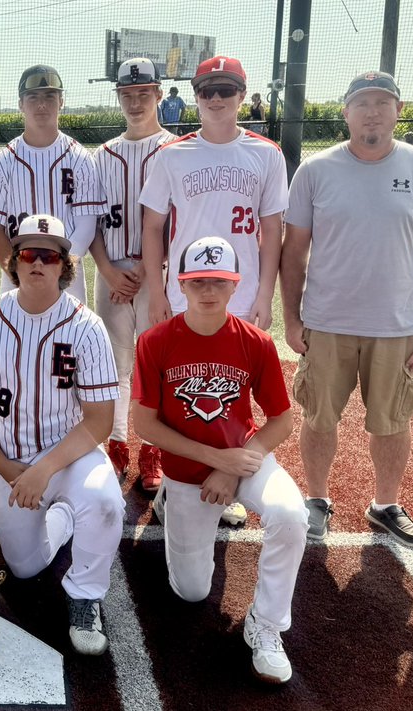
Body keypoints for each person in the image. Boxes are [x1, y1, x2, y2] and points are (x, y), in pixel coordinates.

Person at [281, 71, 413, 549]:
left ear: (399, 109)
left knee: (392, 422)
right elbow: (293, 251)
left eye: (383, 102)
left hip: (394, 327)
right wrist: (293, 319)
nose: (373, 111)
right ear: (346, 112)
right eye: (363, 103)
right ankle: (317, 499)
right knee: (319, 417)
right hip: (326, 323)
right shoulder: (316, 171)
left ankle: (385, 504)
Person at [131, 236, 306, 684]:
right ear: (180, 286)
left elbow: (282, 421)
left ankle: (265, 625)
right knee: (191, 593)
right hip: (190, 470)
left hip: (243, 458)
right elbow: (146, 426)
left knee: (291, 514)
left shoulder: (256, 342)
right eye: (198, 282)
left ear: (236, 286)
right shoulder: (154, 342)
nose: (208, 291)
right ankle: (171, 497)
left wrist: (230, 467)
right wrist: (216, 460)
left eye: (219, 282)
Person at [0, 214, 125, 656]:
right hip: (6, 455)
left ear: (64, 266)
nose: (38, 263)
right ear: (13, 261)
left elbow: (100, 420)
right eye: (28, 253)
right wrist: (7, 467)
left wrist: (43, 471)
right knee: (25, 570)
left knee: (106, 503)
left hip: (68, 456)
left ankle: (85, 595)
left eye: (50, 255)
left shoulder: (87, 326)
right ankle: (64, 520)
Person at [138, 55, 288, 527]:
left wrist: (266, 292)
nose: (217, 99)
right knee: (171, 386)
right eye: (207, 90)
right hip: (185, 289)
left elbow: (272, 230)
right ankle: (171, 476)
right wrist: (156, 289)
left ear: (243, 95)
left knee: (227, 389)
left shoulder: (266, 152)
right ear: (196, 96)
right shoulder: (172, 154)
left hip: (239, 291)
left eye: (226, 89)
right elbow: (152, 225)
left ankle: (225, 476)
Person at [91, 58, 175, 491]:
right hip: (112, 272)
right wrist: (107, 271)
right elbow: (88, 222)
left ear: (159, 94)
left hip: (159, 275)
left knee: (154, 366)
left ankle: (153, 451)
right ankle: (118, 443)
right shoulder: (100, 156)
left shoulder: (180, 149)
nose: (136, 101)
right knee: (114, 365)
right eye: (127, 94)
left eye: (144, 93)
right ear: (119, 97)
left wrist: (148, 270)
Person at [0, 65, 104, 305]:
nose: (41, 104)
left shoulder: (80, 158)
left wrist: (60, 269)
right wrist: (18, 273)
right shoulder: (1, 162)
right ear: (20, 104)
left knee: (68, 341)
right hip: (16, 276)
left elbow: (87, 224)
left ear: (61, 101)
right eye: (33, 97)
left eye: (49, 96)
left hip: (68, 278)